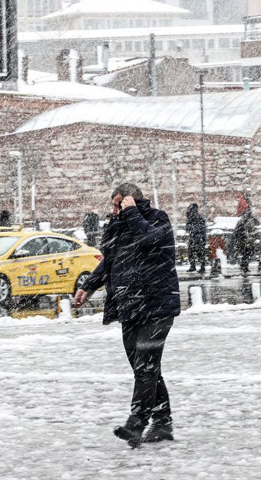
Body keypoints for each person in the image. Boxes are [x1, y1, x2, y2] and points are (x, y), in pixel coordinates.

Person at [73, 183, 180, 448]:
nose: (114, 210)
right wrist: (87, 286)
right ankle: (162, 421)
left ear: (132, 202)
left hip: (156, 306)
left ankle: (136, 423)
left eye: (118, 204)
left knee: (146, 365)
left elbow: (151, 240)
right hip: (129, 307)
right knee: (143, 367)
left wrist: (132, 213)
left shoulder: (158, 219)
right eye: (113, 205)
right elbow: (109, 262)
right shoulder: (115, 226)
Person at [233, 193, 258, 274]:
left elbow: (237, 231)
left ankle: (244, 267)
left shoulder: (243, 220)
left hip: (244, 240)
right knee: (246, 254)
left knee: (245, 254)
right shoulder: (247, 220)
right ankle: (244, 267)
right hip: (245, 240)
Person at [185, 203, 207, 273]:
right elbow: (187, 228)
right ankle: (195, 266)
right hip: (194, 238)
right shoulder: (191, 218)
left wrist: (194, 231)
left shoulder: (198, 218)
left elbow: (200, 228)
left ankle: (200, 267)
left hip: (198, 238)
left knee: (198, 253)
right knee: (192, 252)